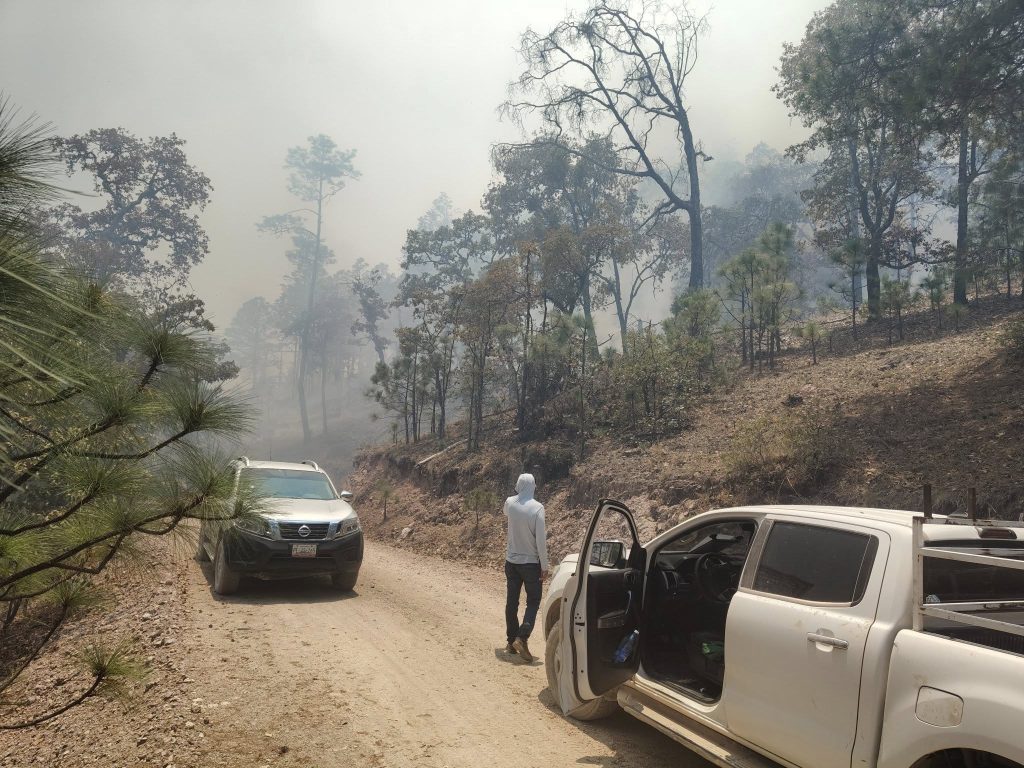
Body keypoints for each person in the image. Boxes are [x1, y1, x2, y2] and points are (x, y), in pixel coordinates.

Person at [503, 473, 547, 662]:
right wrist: (544, 566)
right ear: (533, 486)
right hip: (530, 564)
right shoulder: (537, 509)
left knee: (512, 602)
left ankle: (511, 641)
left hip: (511, 562)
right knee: (534, 601)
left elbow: (507, 512)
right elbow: (541, 541)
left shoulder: (509, 503)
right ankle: (522, 637)